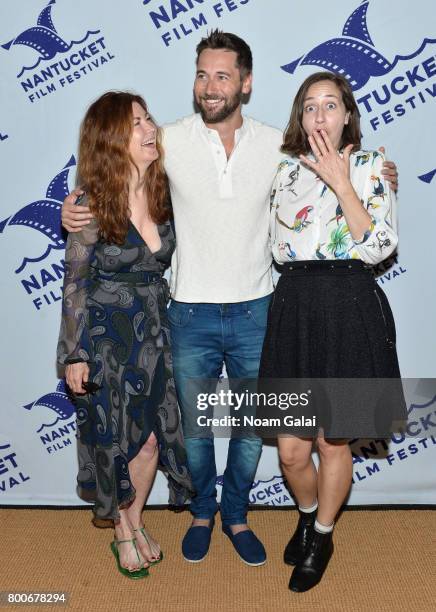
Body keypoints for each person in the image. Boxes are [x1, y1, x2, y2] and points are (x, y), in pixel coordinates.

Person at [60, 31, 399, 567]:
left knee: (248, 432)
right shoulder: (166, 140)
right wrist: (72, 209)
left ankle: (238, 516)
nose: (210, 86)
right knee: (193, 428)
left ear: (246, 82)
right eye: (202, 74)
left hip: (260, 310)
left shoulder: (279, 148)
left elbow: (347, 184)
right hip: (187, 312)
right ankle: (202, 513)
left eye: (222, 75)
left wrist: (375, 173)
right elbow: (114, 165)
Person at [259, 71, 405, 592]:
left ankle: (322, 534)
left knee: (333, 438)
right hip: (294, 306)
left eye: (330, 105)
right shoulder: (281, 170)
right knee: (293, 449)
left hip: (348, 304)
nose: (320, 115)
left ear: (347, 114)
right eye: (310, 106)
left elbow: (379, 247)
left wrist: (343, 182)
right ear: (301, 117)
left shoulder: (371, 168)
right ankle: (306, 514)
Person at [57, 91, 192, 579]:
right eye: (137, 123)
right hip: (104, 342)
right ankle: (122, 533)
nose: (149, 127)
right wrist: (75, 354)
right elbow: (75, 284)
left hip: (155, 334)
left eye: (148, 117)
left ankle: (133, 521)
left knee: (152, 441)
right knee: (115, 441)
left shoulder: (165, 193)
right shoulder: (89, 205)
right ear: (112, 138)